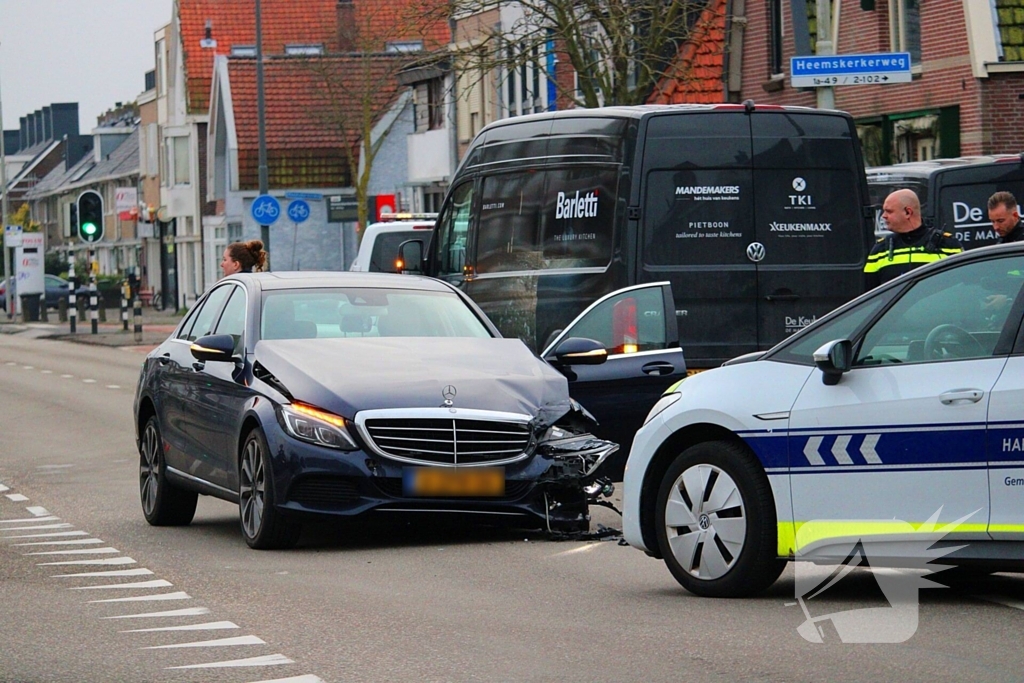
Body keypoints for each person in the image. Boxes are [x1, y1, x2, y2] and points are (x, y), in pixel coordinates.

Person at [863, 189, 963, 290]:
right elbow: (869, 294)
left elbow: (963, 286)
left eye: (889, 211)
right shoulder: (880, 250)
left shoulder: (948, 245)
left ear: (908, 212)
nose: (883, 216)